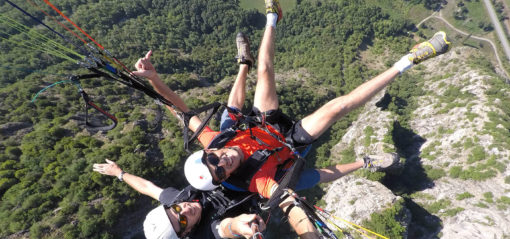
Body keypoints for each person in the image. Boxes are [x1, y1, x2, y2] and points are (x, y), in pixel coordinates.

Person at [92, 159, 266, 239]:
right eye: (182, 222)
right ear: (186, 233)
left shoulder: (175, 200)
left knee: (227, 119)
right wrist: (238, 226)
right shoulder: (206, 233)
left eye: (176, 209)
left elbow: (147, 188)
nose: (185, 210)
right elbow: (226, 228)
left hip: (230, 165)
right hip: (260, 183)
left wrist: (119, 173)